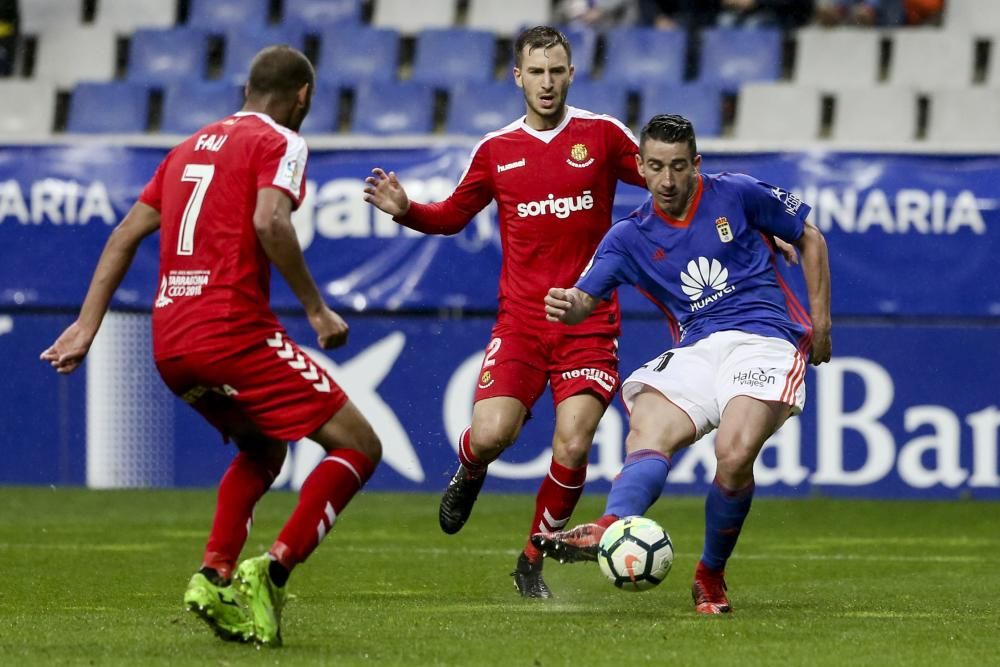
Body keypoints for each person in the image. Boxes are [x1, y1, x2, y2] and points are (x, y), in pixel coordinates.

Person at [40, 46, 382, 645]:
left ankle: (214, 574)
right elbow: (271, 222)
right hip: (231, 331)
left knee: (263, 449)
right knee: (359, 445)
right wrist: (315, 309)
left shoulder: (184, 150)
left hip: (170, 340)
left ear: (246, 88)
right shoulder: (280, 141)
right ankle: (271, 573)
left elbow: (125, 235)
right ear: (303, 95)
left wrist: (87, 325)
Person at [363, 26, 646, 598]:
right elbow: (451, 215)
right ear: (518, 76)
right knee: (492, 434)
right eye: (535, 72)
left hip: (589, 321)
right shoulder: (497, 150)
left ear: (571, 74)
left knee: (573, 442)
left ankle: (530, 560)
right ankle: (470, 468)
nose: (546, 82)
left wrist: (747, 218)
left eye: (556, 70)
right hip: (521, 324)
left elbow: (670, 187)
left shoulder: (604, 136)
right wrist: (406, 209)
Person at [533, 113, 831, 614]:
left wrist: (820, 324)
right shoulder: (628, 237)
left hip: (765, 339)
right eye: (655, 167)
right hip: (697, 349)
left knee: (733, 457)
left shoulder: (736, 193)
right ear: (640, 168)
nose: (667, 180)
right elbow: (586, 296)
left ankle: (709, 576)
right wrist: (571, 303)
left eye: (677, 167)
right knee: (648, 426)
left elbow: (811, 237)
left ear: (696, 164)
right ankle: (610, 526)